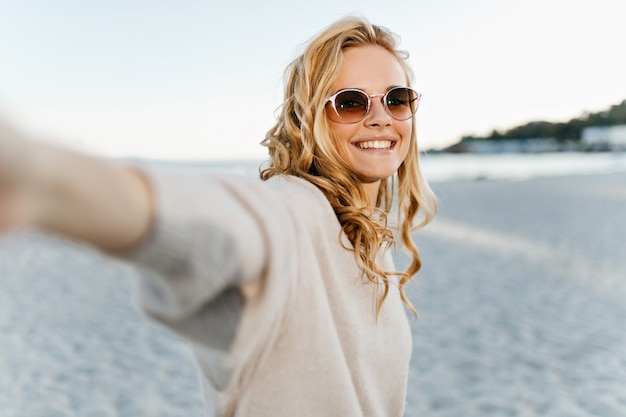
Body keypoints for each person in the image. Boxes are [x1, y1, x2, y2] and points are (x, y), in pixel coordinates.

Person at [0, 16, 436, 417]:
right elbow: (219, 219)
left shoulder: (368, 235)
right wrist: (39, 175)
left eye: (397, 100)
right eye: (352, 103)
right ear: (309, 118)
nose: (381, 118)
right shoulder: (293, 212)